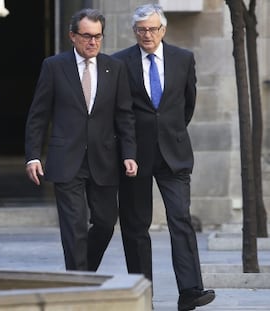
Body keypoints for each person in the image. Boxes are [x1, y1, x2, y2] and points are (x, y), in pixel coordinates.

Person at [112, 4, 215, 311]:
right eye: (142, 29)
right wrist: (128, 149)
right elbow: (121, 113)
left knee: (180, 218)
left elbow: (187, 105)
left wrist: (168, 132)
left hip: (174, 153)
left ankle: (190, 290)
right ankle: (142, 295)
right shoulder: (119, 63)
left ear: (163, 30)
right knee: (135, 225)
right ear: (135, 32)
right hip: (135, 156)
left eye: (153, 29)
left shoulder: (183, 59)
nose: (148, 35)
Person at [25, 8, 138, 272]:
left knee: (106, 223)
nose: (93, 42)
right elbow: (38, 115)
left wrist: (129, 153)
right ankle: (80, 285)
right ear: (72, 36)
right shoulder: (54, 67)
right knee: (74, 226)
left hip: (105, 159)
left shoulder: (115, 67)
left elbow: (125, 116)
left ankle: (83, 273)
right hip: (66, 159)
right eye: (87, 36)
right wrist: (32, 155)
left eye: (98, 36)